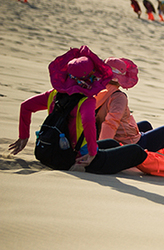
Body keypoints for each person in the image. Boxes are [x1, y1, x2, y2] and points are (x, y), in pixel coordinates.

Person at [9, 46, 152, 175]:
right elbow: (89, 124)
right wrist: (91, 154)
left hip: (47, 151)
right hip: (74, 159)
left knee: (113, 144)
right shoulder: (86, 100)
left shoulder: (53, 94)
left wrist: (23, 136)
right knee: (136, 152)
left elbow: (25, 106)